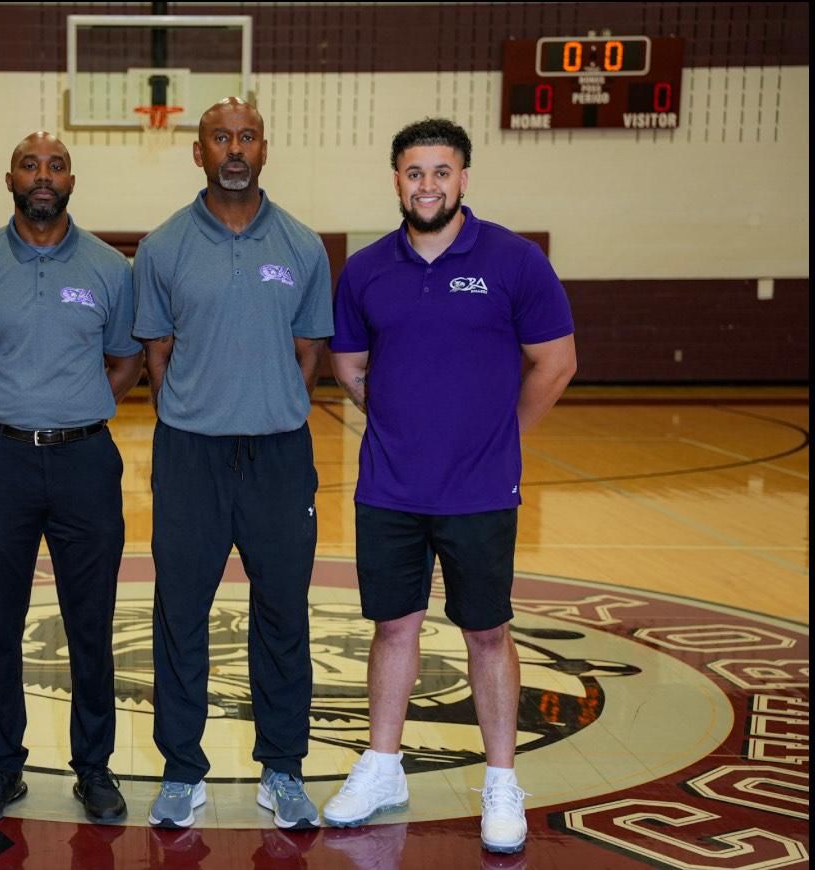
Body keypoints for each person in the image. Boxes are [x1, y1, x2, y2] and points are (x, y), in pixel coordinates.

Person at [322, 118, 577, 854]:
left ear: (463, 178)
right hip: (390, 489)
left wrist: (504, 434)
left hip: (480, 491)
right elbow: (349, 367)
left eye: (441, 172)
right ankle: (382, 767)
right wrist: (401, 422)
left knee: (488, 632)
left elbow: (556, 361)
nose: (427, 185)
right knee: (392, 627)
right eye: (414, 172)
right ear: (396, 181)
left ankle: (501, 781)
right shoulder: (366, 269)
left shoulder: (515, 260)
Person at [134, 97, 334, 831]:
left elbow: (309, 352)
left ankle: (283, 767)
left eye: (247, 136)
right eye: (221, 138)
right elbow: (156, 352)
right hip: (190, 454)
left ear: (265, 149)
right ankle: (181, 770)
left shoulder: (303, 245)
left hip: (280, 454)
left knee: (283, 613)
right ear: (200, 152)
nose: (235, 149)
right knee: (180, 613)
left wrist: (265, 405)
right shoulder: (162, 247)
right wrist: (203, 411)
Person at [0, 131, 143, 825]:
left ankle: (95, 768)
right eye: (30, 165)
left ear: (71, 180)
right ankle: (3, 766)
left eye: (56, 165)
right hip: (0, 463)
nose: (43, 175)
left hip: (86, 461)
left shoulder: (111, 267)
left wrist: (75, 410)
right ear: (10, 179)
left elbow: (126, 361)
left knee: (91, 624)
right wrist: (6, 411)